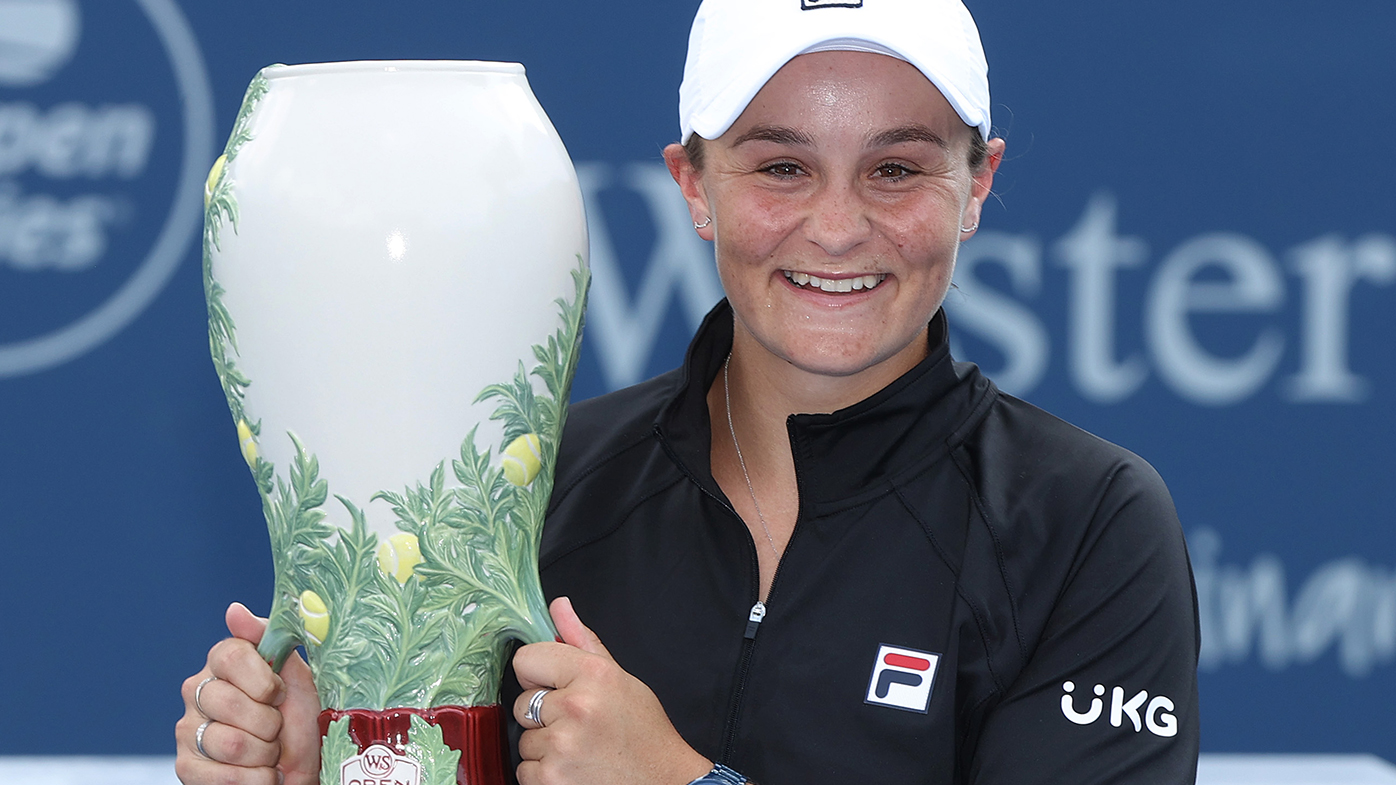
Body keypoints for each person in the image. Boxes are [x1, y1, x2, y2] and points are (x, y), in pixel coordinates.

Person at [176, 0, 1201, 783]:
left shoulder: (1085, 520)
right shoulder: (527, 490)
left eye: (894, 169)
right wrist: (338, 762)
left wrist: (678, 778)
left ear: (975, 184)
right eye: (781, 168)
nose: (837, 228)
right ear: (690, 183)